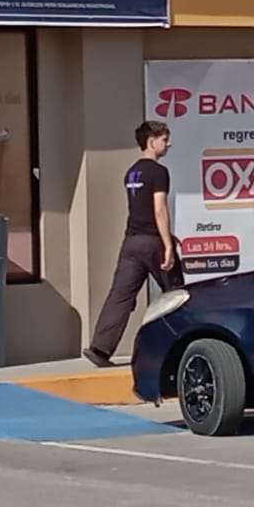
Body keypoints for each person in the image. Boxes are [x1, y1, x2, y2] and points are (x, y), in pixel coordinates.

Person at [84, 120, 181, 367]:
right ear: (151, 141)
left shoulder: (131, 172)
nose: (169, 144)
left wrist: (169, 237)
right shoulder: (159, 172)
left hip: (131, 243)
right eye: (164, 139)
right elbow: (159, 210)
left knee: (120, 296)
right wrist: (168, 245)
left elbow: (141, 209)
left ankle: (100, 349)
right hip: (152, 243)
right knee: (177, 293)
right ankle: (183, 346)